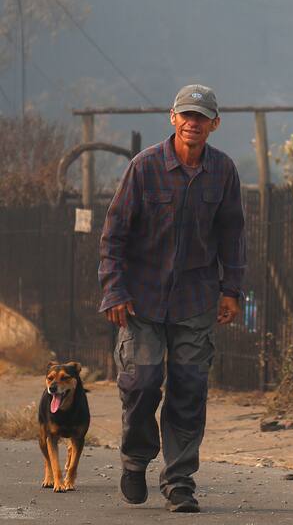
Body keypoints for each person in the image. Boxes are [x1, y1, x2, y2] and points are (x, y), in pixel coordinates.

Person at [98, 84, 245, 513]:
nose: (193, 123)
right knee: (142, 383)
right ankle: (136, 458)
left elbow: (233, 235)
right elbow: (114, 235)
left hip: (196, 298)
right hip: (140, 300)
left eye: (201, 117)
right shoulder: (143, 168)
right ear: (172, 118)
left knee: (189, 388)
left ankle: (179, 481)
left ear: (214, 124)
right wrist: (114, 289)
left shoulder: (223, 172)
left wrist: (231, 290)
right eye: (186, 116)